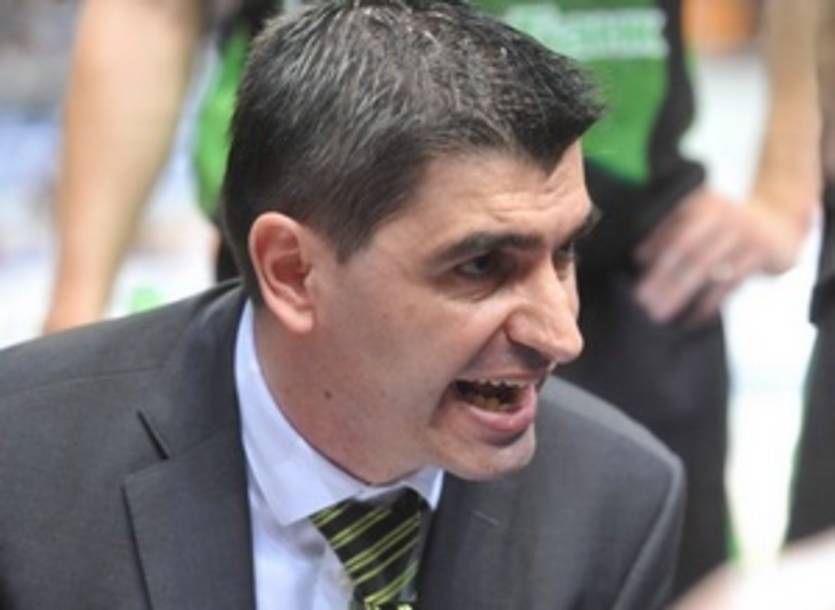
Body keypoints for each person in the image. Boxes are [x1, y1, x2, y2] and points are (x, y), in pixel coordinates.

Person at [0, 1, 685, 608]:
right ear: (292, 272)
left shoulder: (614, 504)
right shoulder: (23, 468)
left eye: (564, 252)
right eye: (480, 266)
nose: (562, 336)